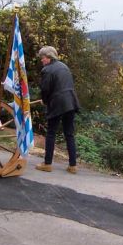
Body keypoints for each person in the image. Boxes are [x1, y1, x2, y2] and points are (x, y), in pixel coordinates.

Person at [36, 46, 80, 174]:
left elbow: (45, 89)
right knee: (69, 134)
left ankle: (47, 164)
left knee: (51, 133)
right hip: (71, 102)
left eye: (42, 58)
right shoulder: (64, 66)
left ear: (48, 57)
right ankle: (73, 166)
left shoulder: (47, 70)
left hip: (58, 103)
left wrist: (44, 100)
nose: (41, 61)